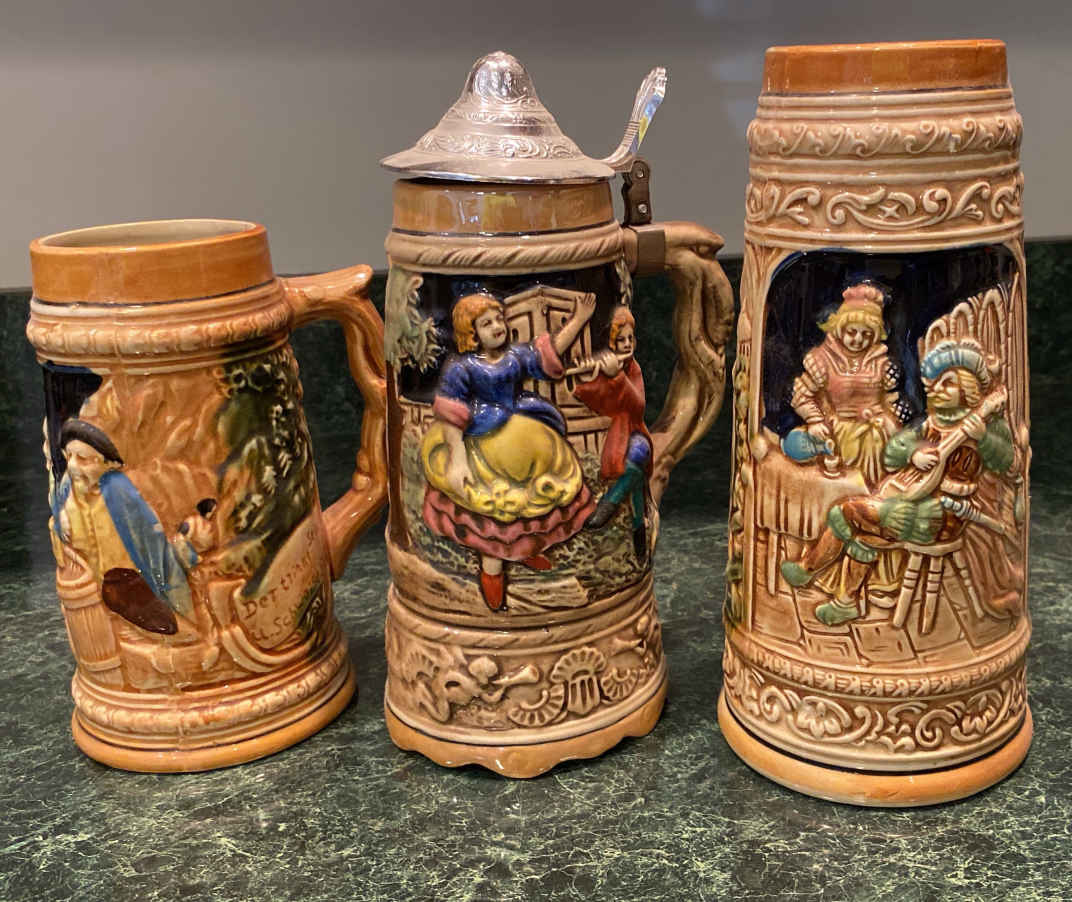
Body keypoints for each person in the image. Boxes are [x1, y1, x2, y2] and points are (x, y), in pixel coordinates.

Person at [780, 338, 1015, 626]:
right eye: (935, 384)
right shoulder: (931, 423)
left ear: (968, 389)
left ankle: (808, 569)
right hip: (913, 501)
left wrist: (983, 438)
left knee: (844, 514)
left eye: (948, 384)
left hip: (942, 515)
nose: (936, 390)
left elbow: (1006, 463)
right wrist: (914, 454)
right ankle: (845, 602)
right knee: (861, 532)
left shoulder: (988, 424)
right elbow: (892, 453)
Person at [421, 292, 596, 611]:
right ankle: (493, 572)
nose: (497, 326)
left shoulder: (515, 357)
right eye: (486, 323)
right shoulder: (463, 368)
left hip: (523, 432)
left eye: (499, 319)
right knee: (494, 508)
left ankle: (522, 550)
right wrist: (458, 460)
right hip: (483, 445)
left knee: (531, 500)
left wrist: (579, 320)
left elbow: (548, 353)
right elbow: (451, 414)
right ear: (472, 333)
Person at [51, 419, 206, 634]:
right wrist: (62, 518)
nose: (73, 466)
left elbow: (151, 541)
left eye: (84, 459)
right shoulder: (69, 485)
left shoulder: (118, 490)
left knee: (161, 618)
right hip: (94, 584)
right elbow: (57, 507)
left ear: (108, 464)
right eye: (69, 456)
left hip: (130, 580)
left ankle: (183, 628)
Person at [782, 283, 904, 487]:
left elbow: (891, 399)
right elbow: (801, 396)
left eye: (866, 334)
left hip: (877, 432)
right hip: (841, 434)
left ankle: (876, 493)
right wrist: (815, 420)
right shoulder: (823, 360)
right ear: (840, 330)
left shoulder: (881, 362)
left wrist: (890, 418)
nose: (858, 339)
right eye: (852, 332)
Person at [573, 306, 652, 562]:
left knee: (638, 453)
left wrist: (617, 377)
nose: (627, 344)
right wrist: (591, 375)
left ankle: (609, 503)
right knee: (636, 475)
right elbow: (592, 397)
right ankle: (638, 526)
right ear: (611, 342)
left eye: (630, 338)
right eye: (621, 340)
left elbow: (638, 406)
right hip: (616, 434)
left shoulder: (632, 369)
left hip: (633, 431)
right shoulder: (607, 364)